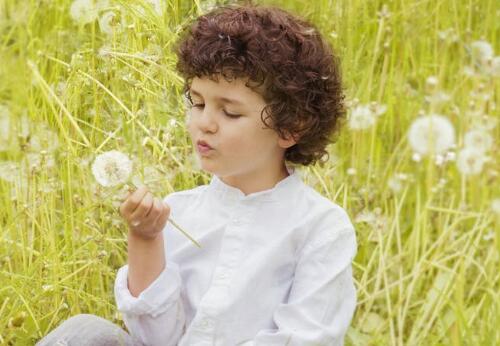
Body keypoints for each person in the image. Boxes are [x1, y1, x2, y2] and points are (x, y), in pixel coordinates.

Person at [36, 2, 357, 345]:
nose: (204, 123)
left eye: (230, 112)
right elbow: (153, 339)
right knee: (87, 332)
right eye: (199, 103)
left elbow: (307, 337)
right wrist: (145, 239)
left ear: (291, 127)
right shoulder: (179, 213)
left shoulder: (320, 228)